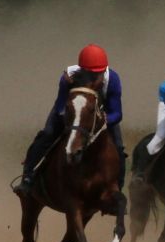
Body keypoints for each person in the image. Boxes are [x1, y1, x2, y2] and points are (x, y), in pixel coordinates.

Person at [15, 43, 125, 196]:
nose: (94, 78)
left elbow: (117, 113)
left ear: (104, 70)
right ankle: (27, 177)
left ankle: (118, 189)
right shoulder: (68, 77)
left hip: (99, 116)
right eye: (89, 73)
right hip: (70, 111)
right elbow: (61, 106)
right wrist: (72, 124)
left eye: (97, 74)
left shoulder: (112, 80)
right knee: (47, 134)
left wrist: (105, 119)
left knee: (118, 147)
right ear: (81, 69)